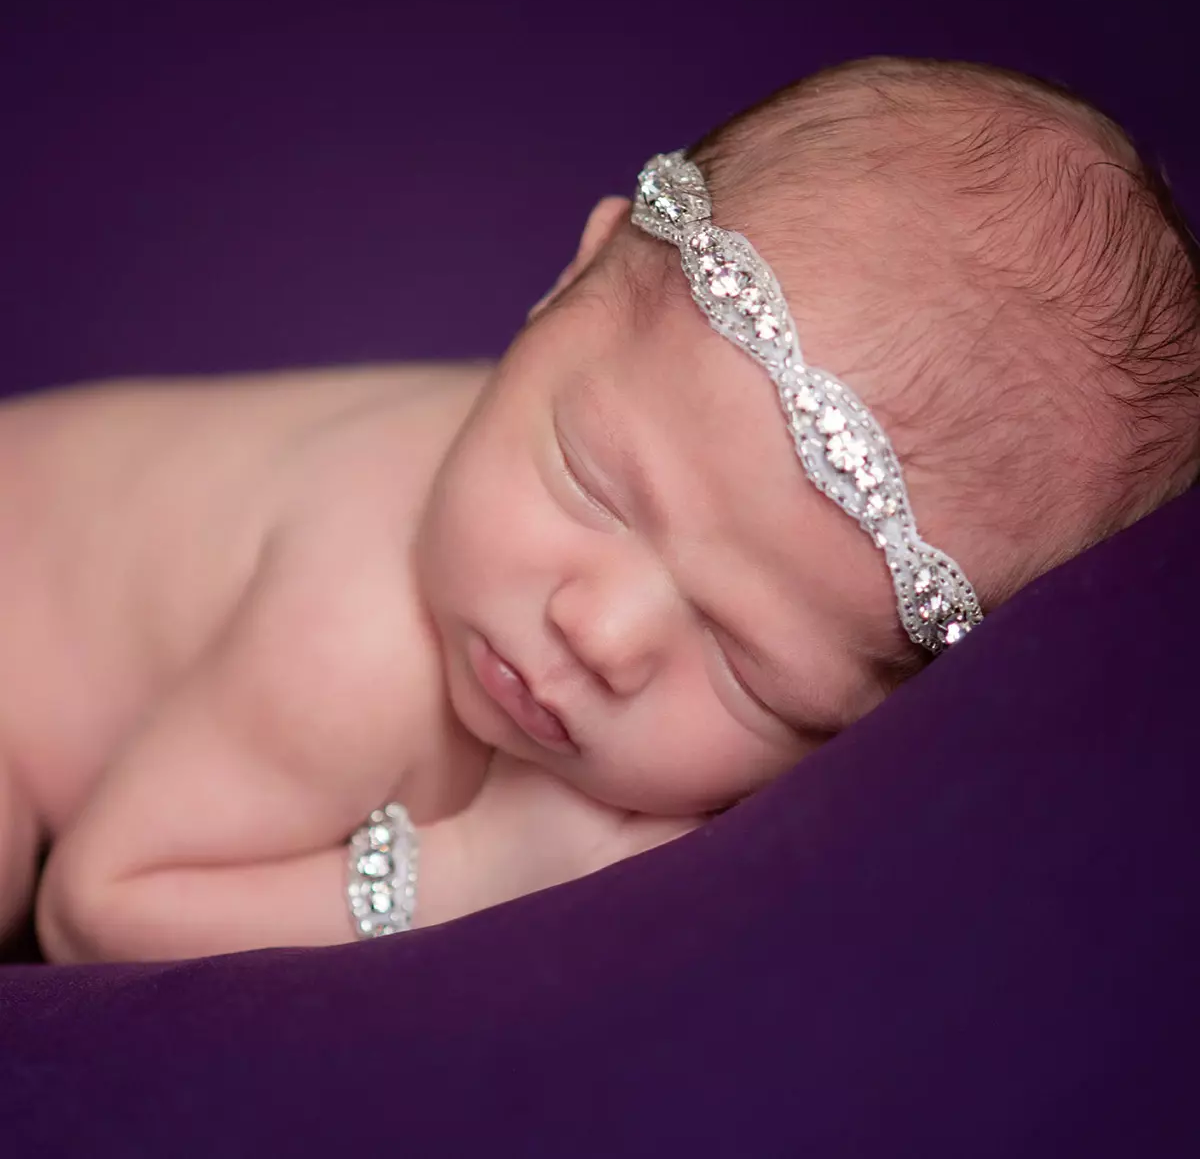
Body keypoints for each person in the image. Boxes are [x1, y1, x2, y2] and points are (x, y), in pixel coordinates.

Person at [2, 55, 1197, 961]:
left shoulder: (613, 419)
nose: (601, 631)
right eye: (591, 481)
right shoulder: (356, 639)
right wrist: (471, 867)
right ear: (568, 282)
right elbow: (96, 903)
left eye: (748, 662)